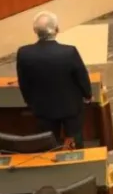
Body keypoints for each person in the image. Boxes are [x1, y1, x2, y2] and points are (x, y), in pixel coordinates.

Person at [16, 11, 92, 147]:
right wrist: (88, 95)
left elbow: (24, 83)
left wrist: (30, 102)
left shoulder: (24, 53)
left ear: (35, 31)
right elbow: (81, 77)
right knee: (74, 143)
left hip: (43, 109)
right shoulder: (69, 52)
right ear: (57, 29)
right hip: (71, 108)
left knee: (49, 145)